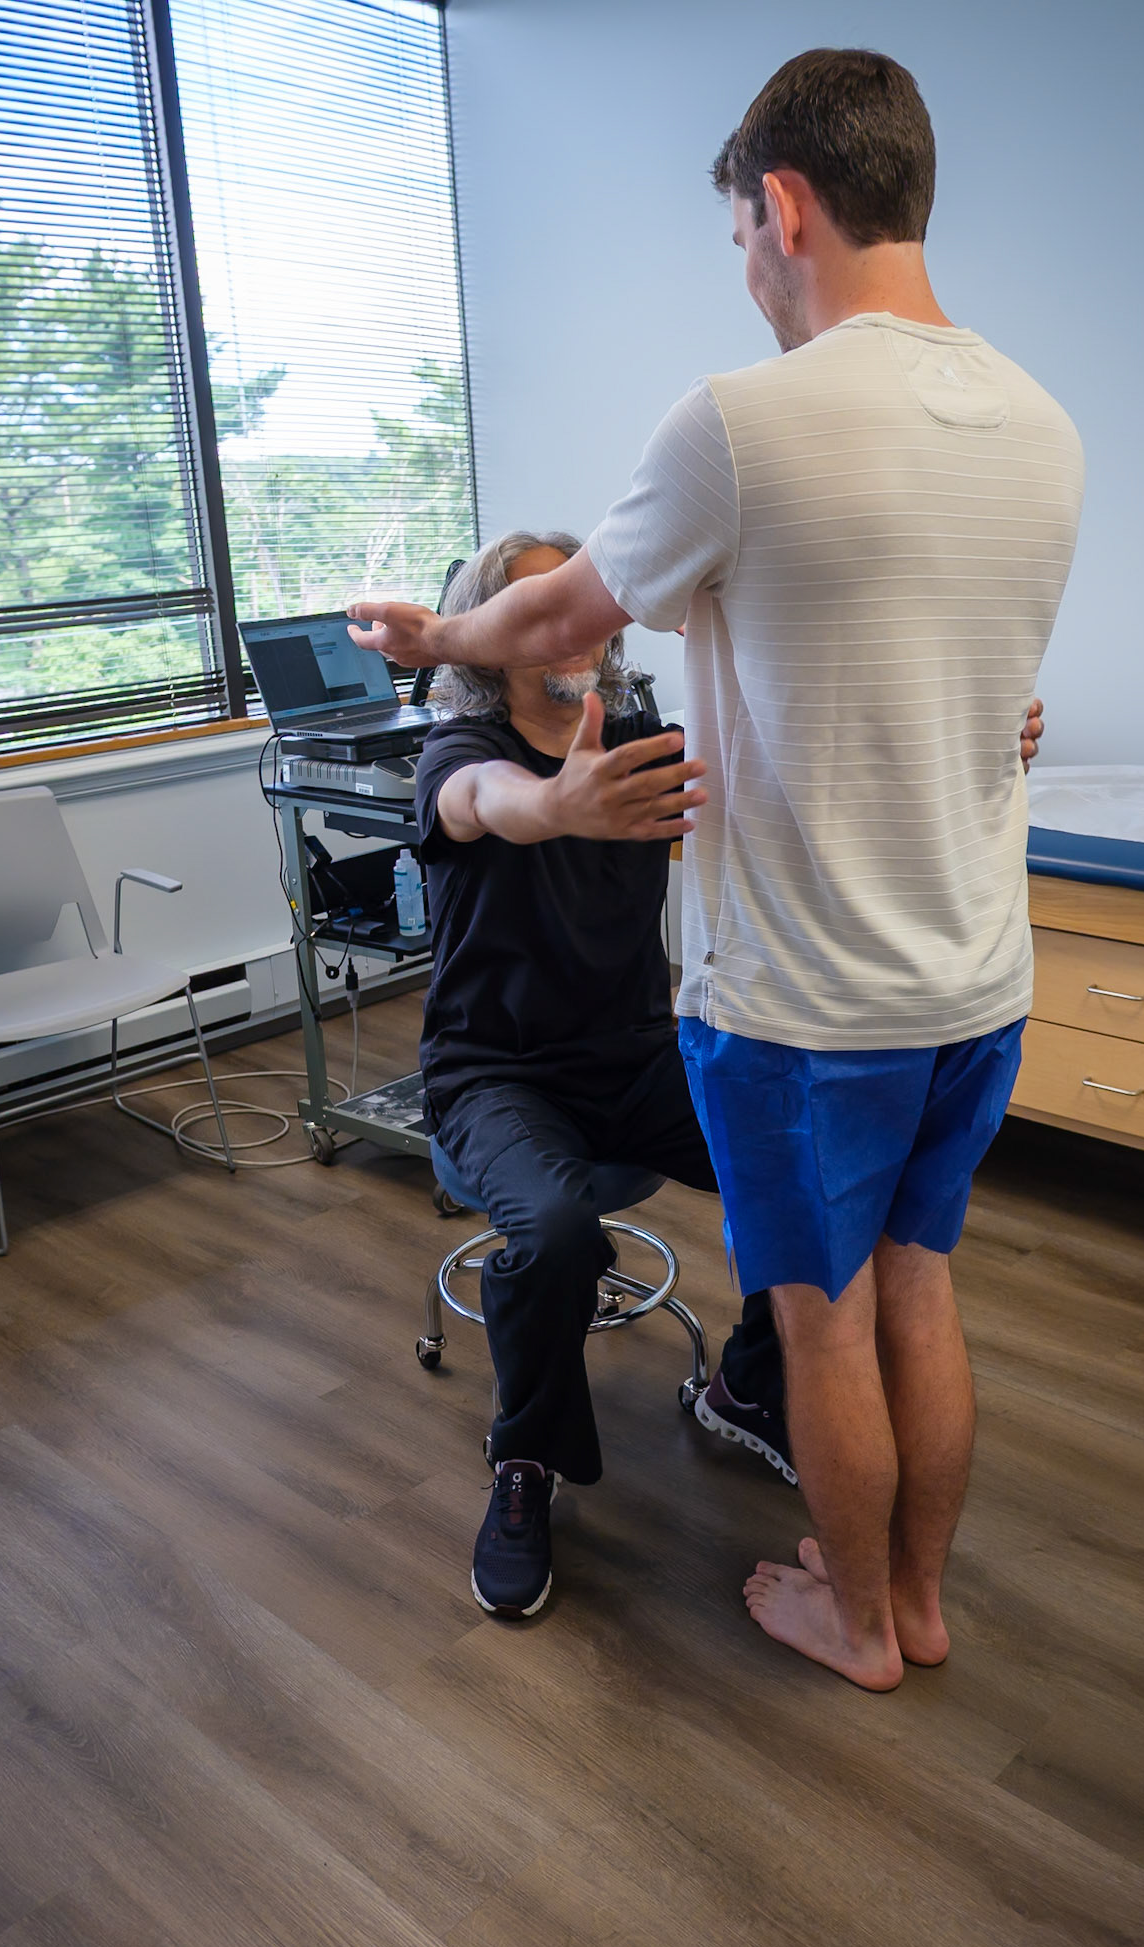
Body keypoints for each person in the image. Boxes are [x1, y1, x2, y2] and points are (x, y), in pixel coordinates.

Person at [352, 48, 1084, 1689]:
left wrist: (434, 635)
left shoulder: (746, 424)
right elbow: (959, 693)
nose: (746, 268)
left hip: (811, 1009)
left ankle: (861, 1624)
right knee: (918, 1294)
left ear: (785, 207)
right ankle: (917, 1598)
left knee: (824, 1318)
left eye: (742, 235)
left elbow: (557, 614)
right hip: (976, 985)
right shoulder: (1043, 429)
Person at [408, 526, 1045, 1622]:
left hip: (632, 1055)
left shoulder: (645, 742)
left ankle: (749, 1383)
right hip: (493, 1074)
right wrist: (553, 804)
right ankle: (525, 1460)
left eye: (580, 605)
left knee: (800, 1172)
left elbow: (808, 774)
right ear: (489, 637)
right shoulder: (457, 750)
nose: (570, 628)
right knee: (557, 1232)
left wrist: (967, 747)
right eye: (538, 609)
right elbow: (482, 803)